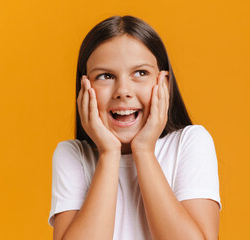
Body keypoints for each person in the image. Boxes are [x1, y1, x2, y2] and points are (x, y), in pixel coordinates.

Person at [48, 15, 222, 240]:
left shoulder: (191, 142)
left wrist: (144, 151)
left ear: (164, 84)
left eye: (140, 73)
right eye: (105, 76)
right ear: (84, 88)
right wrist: (109, 153)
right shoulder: (72, 155)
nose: (123, 90)